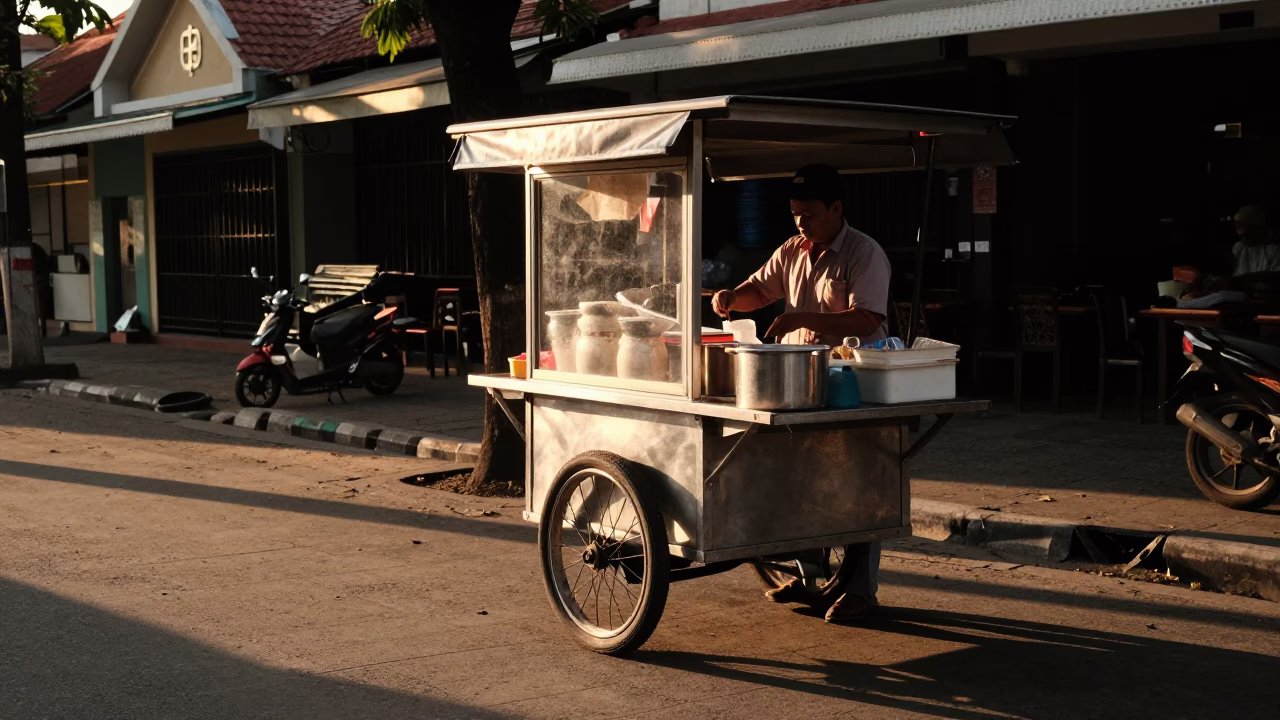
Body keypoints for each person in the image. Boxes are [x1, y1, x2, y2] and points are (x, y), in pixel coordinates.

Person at [711, 163, 891, 623]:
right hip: (798, 384)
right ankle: (810, 576)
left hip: (850, 385)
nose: (801, 222)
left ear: (836, 208)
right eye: (795, 214)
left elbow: (868, 319)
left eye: (809, 213)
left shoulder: (863, 253)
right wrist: (731, 297)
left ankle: (860, 592)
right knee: (798, 481)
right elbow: (760, 289)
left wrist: (804, 319)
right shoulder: (792, 249)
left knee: (859, 486)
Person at [1231, 205, 1280, 278]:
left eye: (1246, 228)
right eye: (1238, 227)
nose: (1240, 233)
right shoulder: (1238, 248)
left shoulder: (1275, 251)